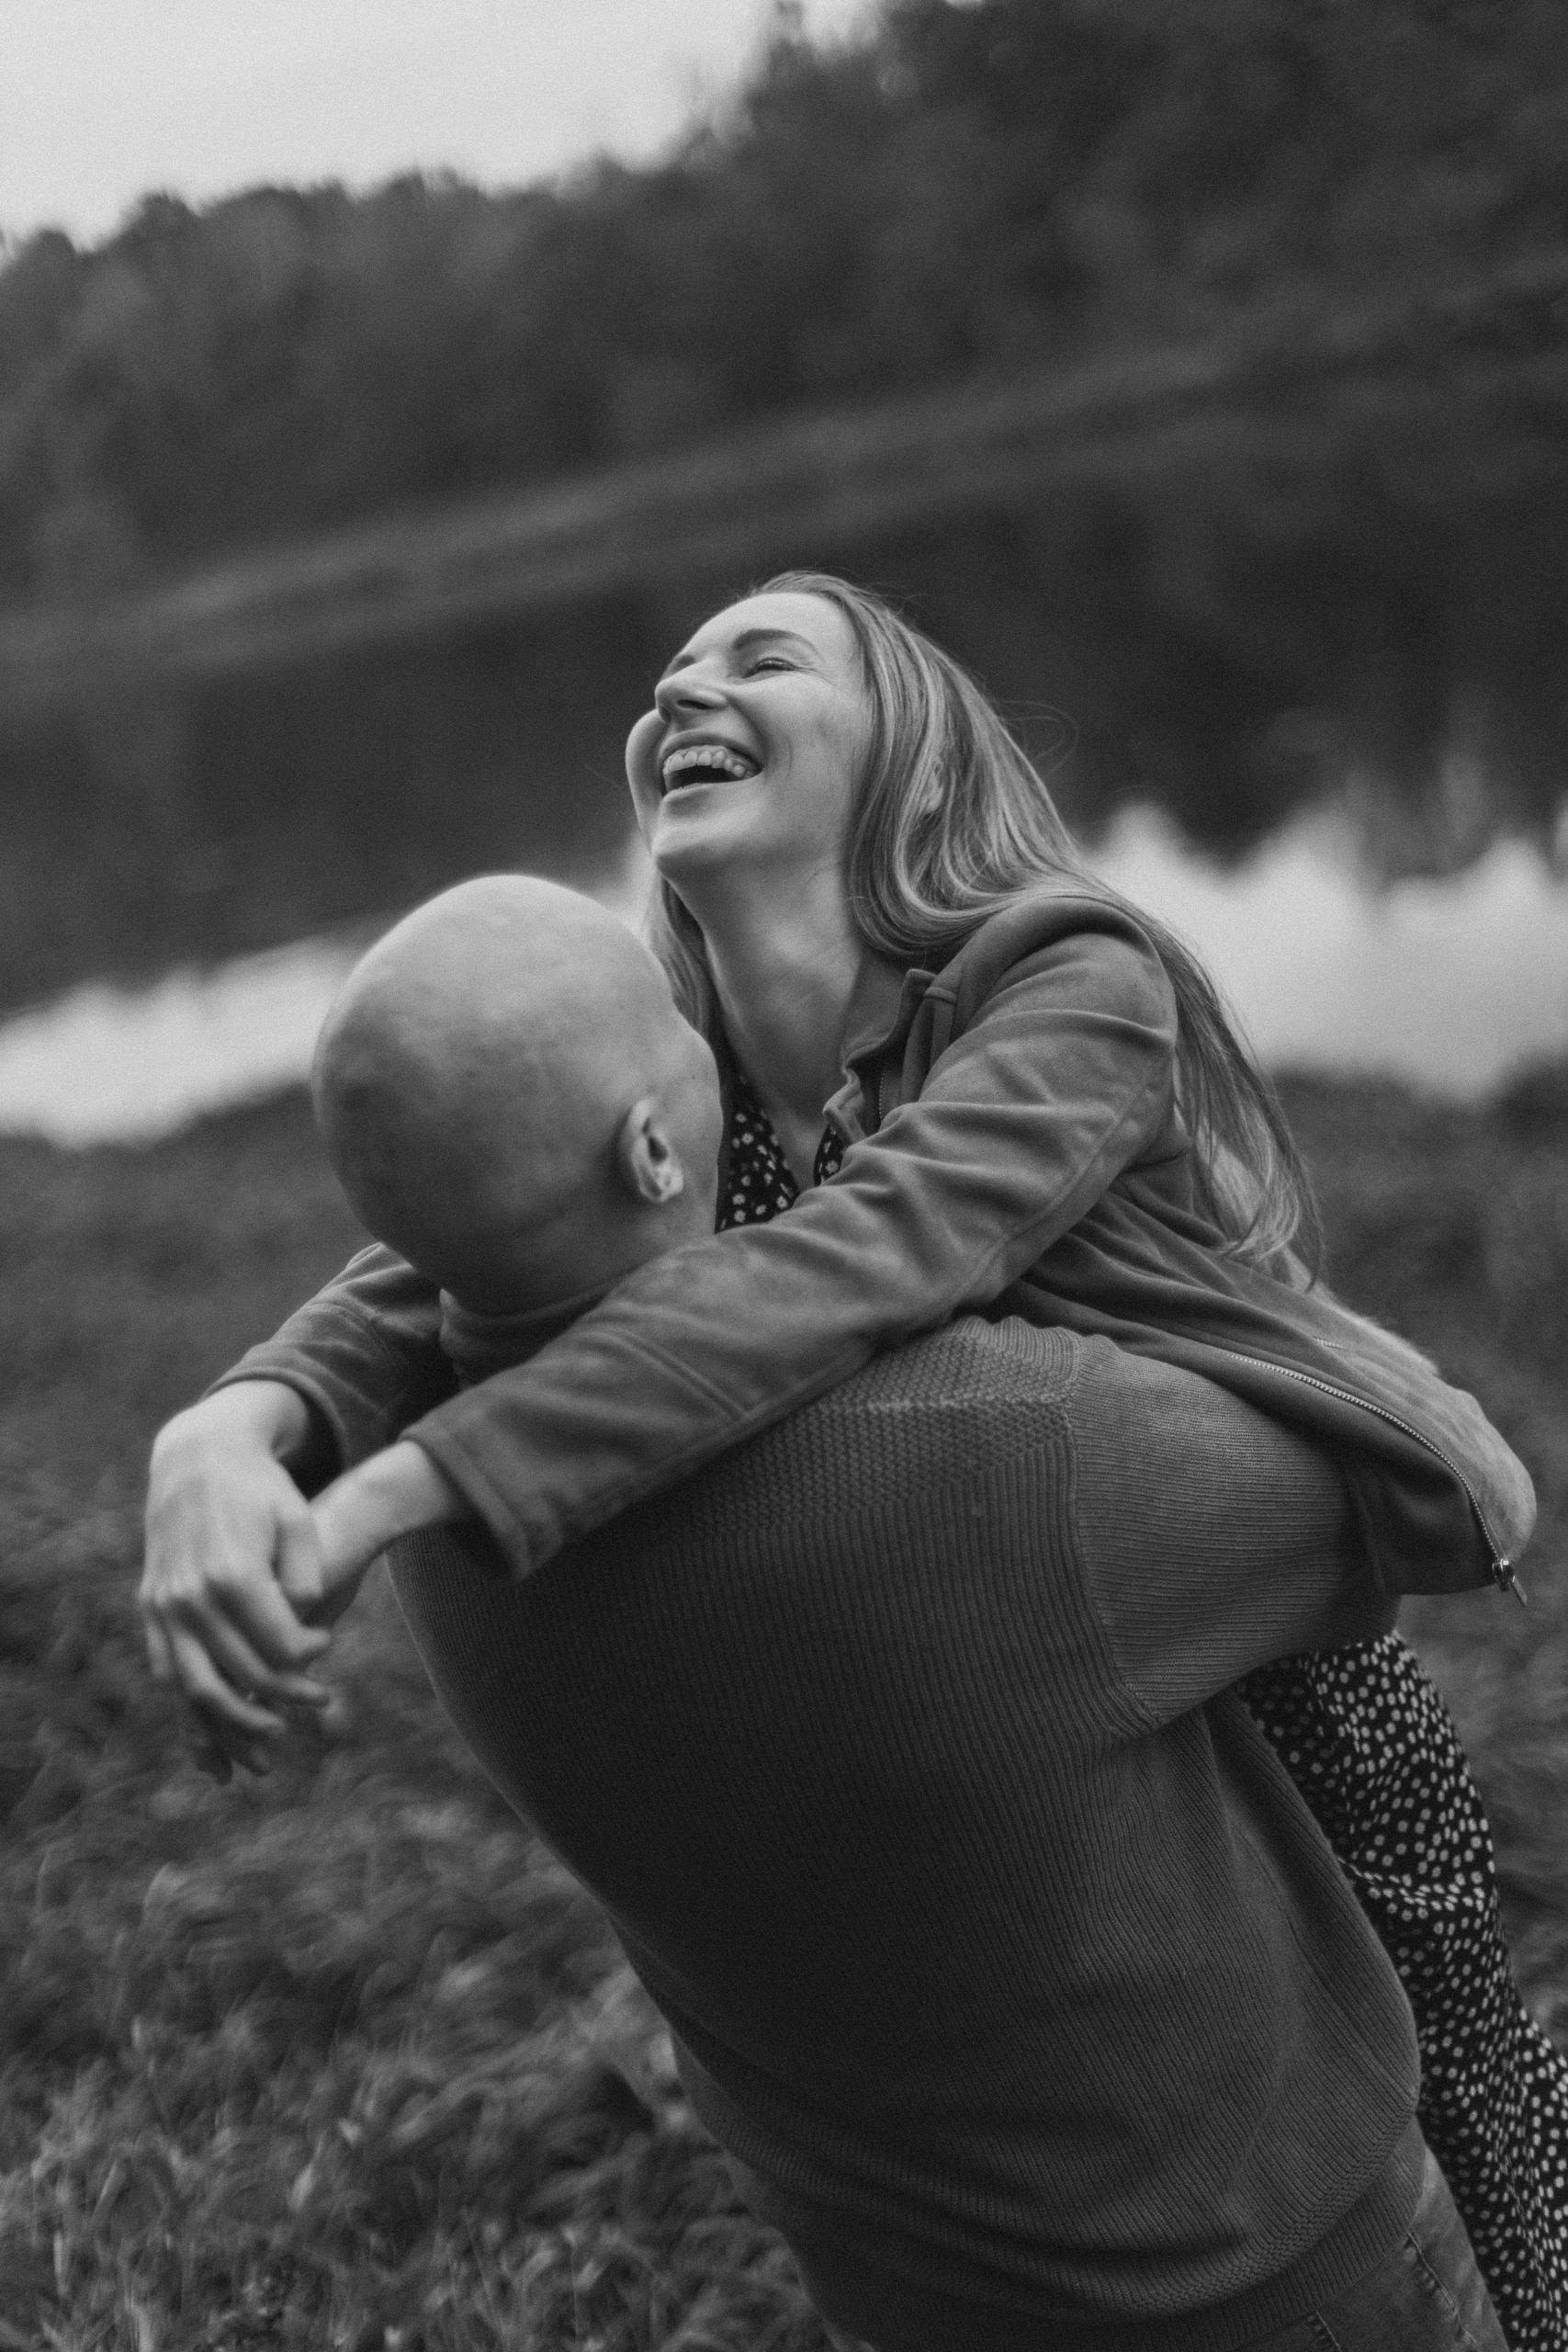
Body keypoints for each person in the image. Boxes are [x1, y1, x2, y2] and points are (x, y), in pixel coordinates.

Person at [141, 578, 1560, 2344]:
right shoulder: (700, 1096)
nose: (688, 687)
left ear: (913, 753)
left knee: (1472, 2118)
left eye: (764, 658)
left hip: (1263, 1664)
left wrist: (412, 1482)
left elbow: (875, 1250)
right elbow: (429, 1263)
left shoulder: (1065, 983)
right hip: (1002, 1708)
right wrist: (230, 1424)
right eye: (673, 673)